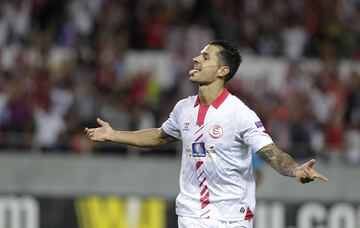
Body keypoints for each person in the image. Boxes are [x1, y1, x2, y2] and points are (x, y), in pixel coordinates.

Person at [84, 40, 328, 228]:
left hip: (231, 218)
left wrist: (295, 170)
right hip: (191, 215)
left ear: (222, 70)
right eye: (199, 54)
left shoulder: (239, 113)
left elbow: (271, 153)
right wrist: (114, 134)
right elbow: (159, 136)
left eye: (205, 56)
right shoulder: (183, 109)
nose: (195, 59)